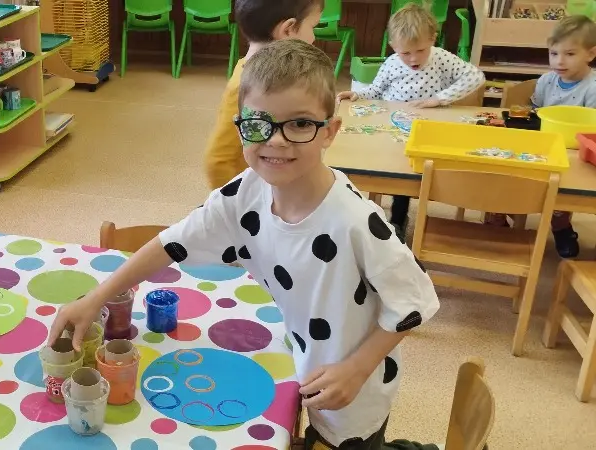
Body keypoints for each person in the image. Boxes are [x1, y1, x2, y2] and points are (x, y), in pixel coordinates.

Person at [49, 39, 440, 449]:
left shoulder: (356, 221)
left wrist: (358, 368)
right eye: (258, 123)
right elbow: (171, 242)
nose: (276, 140)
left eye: (300, 124)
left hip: (354, 383)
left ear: (329, 131)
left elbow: (414, 300)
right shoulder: (246, 192)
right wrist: (96, 297)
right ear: (240, 125)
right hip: (302, 356)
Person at [337, 3, 485, 238]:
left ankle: (405, 217)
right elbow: (375, 90)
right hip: (393, 129)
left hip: (428, 128)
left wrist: (440, 98)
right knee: (394, 166)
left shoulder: (440, 57)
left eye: (421, 50)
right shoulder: (391, 63)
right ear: (393, 45)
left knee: (422, 170)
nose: (414, 58)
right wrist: (357, 94)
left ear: (432, 39)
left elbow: (476, 76)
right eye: (405, 53)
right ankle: (395, 218)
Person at [484, 15, 596, 258]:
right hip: (542, 144)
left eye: (570, 54)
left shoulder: (592, 87)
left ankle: (561, 223)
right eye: (553, 53)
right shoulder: (546, 81)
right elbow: (535, 113)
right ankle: (497, 214)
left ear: (591, 53)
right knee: (504, 165)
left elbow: (591, 130)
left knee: (563, 183)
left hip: (574, 152)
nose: (559, 61)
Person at [203, 0, 324, 190]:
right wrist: (235, 201)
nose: (313, 37)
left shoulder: (270, 76)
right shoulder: (245, 86)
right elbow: (217, 160)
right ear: (288, 29)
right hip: (255, 190)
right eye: (312, 27)